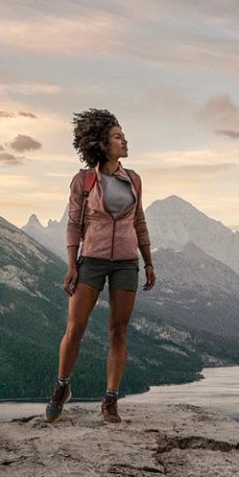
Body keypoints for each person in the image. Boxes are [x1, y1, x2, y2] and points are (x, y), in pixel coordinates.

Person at [45, 108, 156, 424]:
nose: (124, 141)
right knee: (75, 328)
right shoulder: (84, 180)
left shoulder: (133, 179)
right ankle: (62, 387)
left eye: (123, 135)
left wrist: (148, 262)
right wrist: (71, 265)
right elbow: (72, 225)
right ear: (102, 144)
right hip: (91, 261)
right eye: (118, 136)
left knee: (118, 331)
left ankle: (110, 400)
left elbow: (140, 221)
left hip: (125, 263)